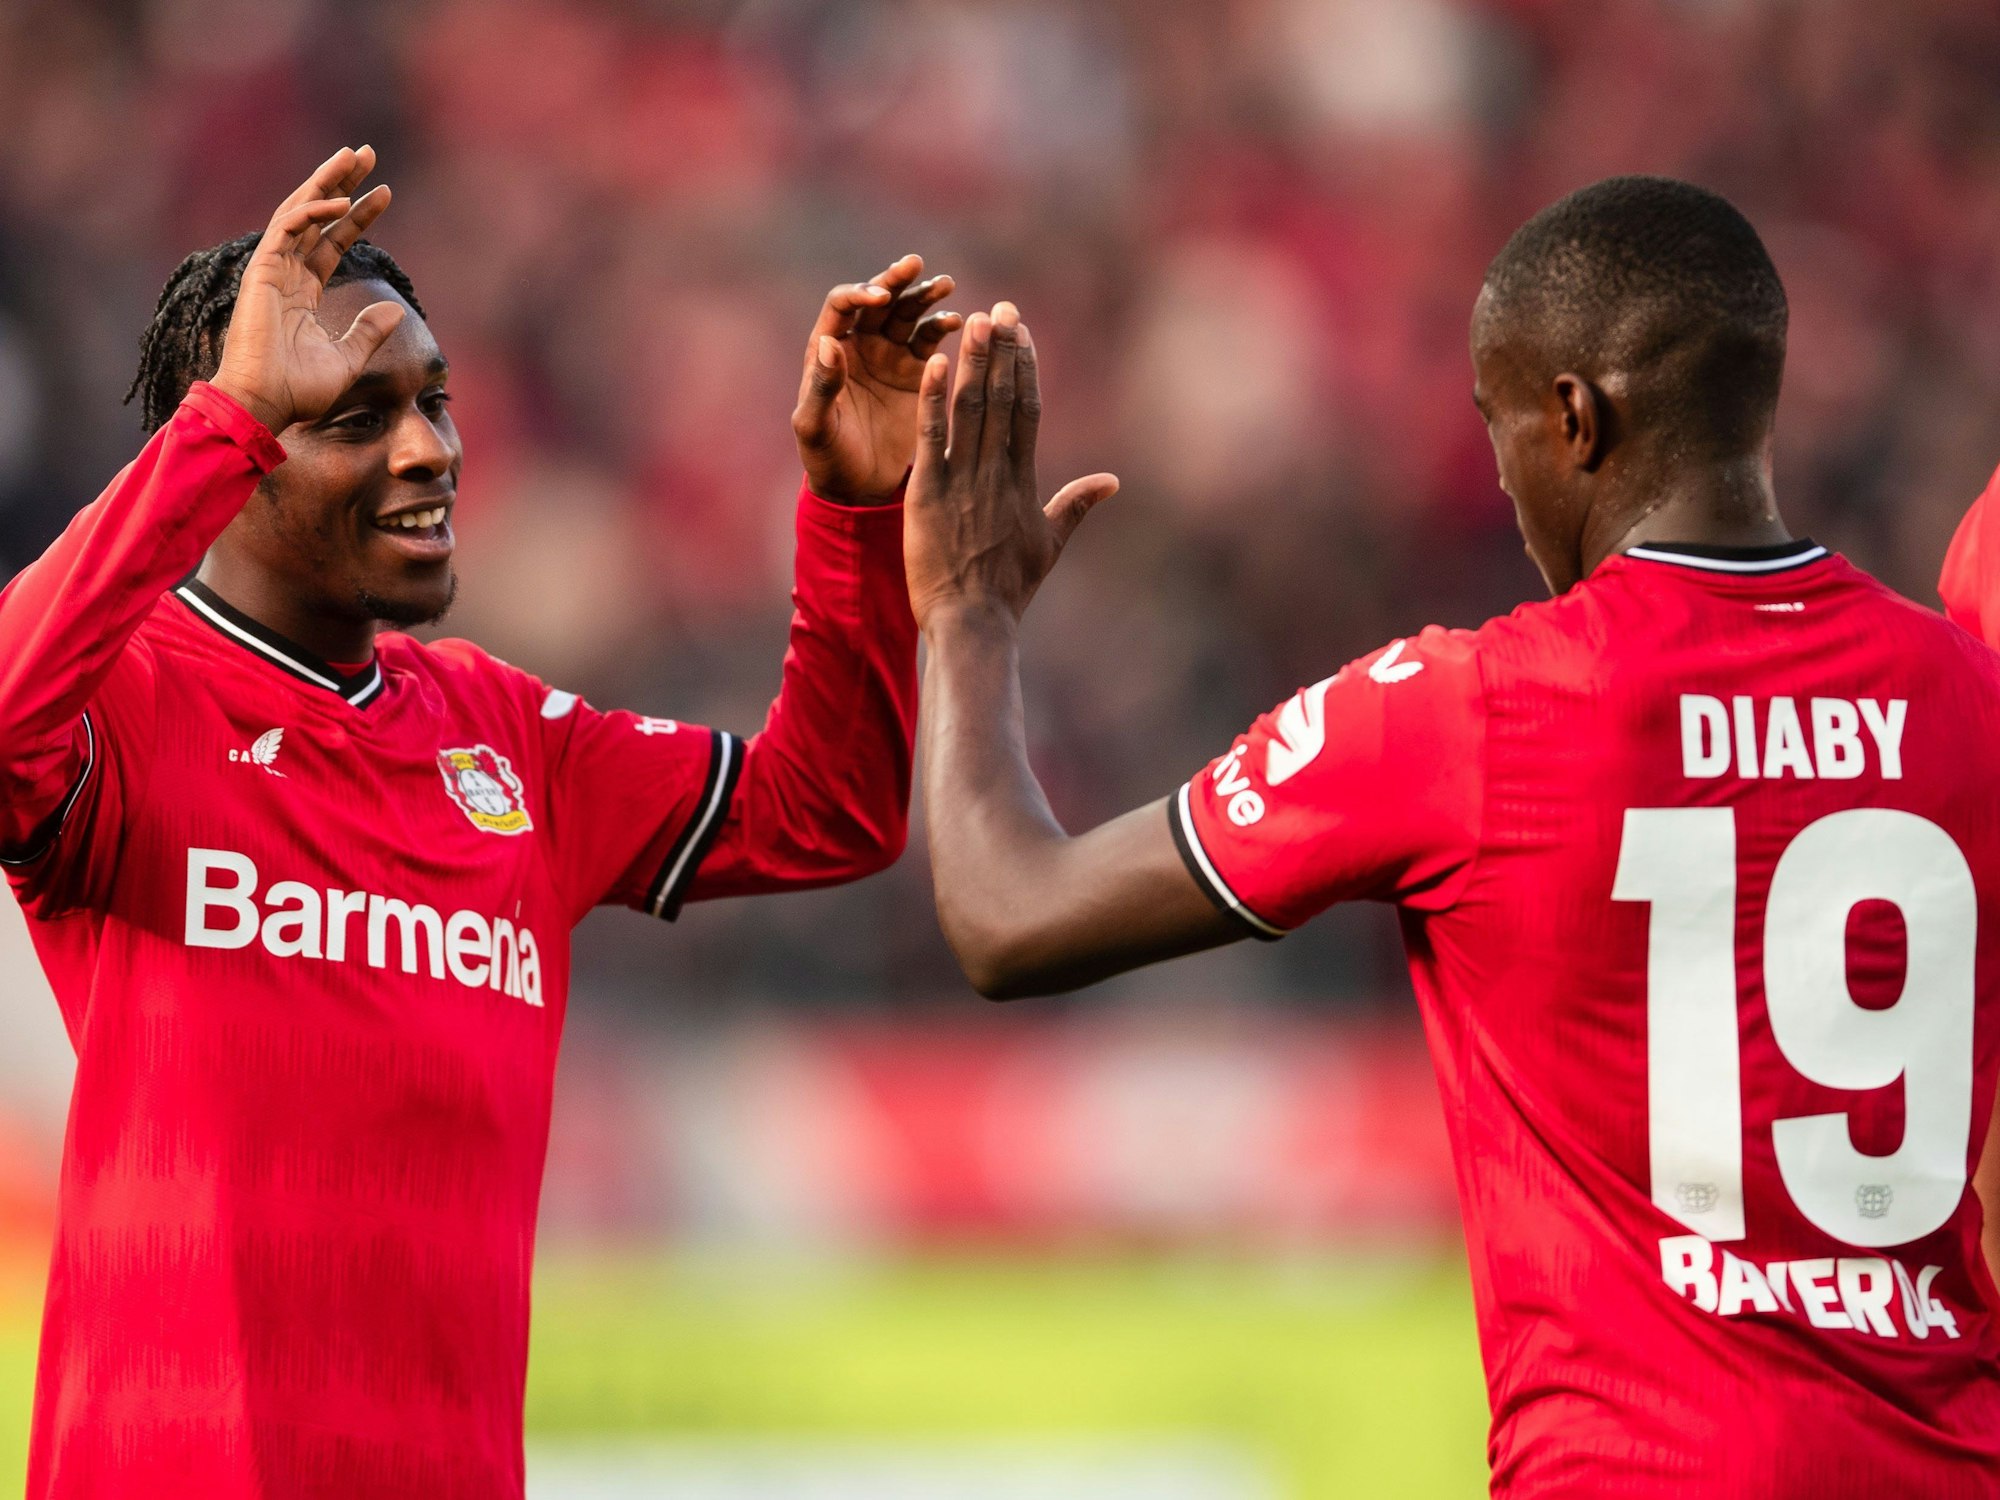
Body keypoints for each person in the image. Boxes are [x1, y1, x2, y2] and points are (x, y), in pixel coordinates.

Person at [906, 177, 2000, 1496]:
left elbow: (1009, 913)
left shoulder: (1466, 710)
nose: (1501, 477)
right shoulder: (1968, 692)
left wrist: (968, 618)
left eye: (1501, 431)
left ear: (1575, 420)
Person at [0, 146, 953, 1498]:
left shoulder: (510, 740)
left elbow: (830, 813)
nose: (430, 450)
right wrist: (217, 424)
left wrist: (854, 515)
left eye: (436, 404)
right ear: (230, 447)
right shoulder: (129, 699)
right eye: (354, 413)